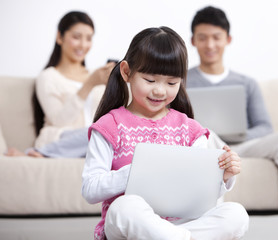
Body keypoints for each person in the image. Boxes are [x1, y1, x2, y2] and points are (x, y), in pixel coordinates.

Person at [81, 26, 249, 240]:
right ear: (126, 72)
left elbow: (203, 196)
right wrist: (135, 172)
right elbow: (90, 189)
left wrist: (223, 176)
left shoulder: (190, 130)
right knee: (123, 207)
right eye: (150, 80)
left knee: (236, 214)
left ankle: (173, 237)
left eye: (171, 83)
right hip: (132, 224)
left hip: (182, 221)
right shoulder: (110, 125)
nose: (160, 90)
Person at [187, 6, 278, 240]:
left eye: (216, 37)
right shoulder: (181, 81)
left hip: (243, 145)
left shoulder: (247, 83)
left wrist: (237, 134)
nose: (210, 45)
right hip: (206, 145)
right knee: (206, 137)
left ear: (228, 40)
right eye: (203, 38)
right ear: (193, 41)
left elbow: (264, 127)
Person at [5, 11, 115, 158]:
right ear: (59, 37)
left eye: (89, 38)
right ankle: (40, 153)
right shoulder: (48, 77)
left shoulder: (98, 76)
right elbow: (60, 120)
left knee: (110, 131)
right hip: (62, 140)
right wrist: (89, 84)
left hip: (91, 144)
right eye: (76, 37)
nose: (83, 44)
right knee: (97, 132)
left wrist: (115, 85)